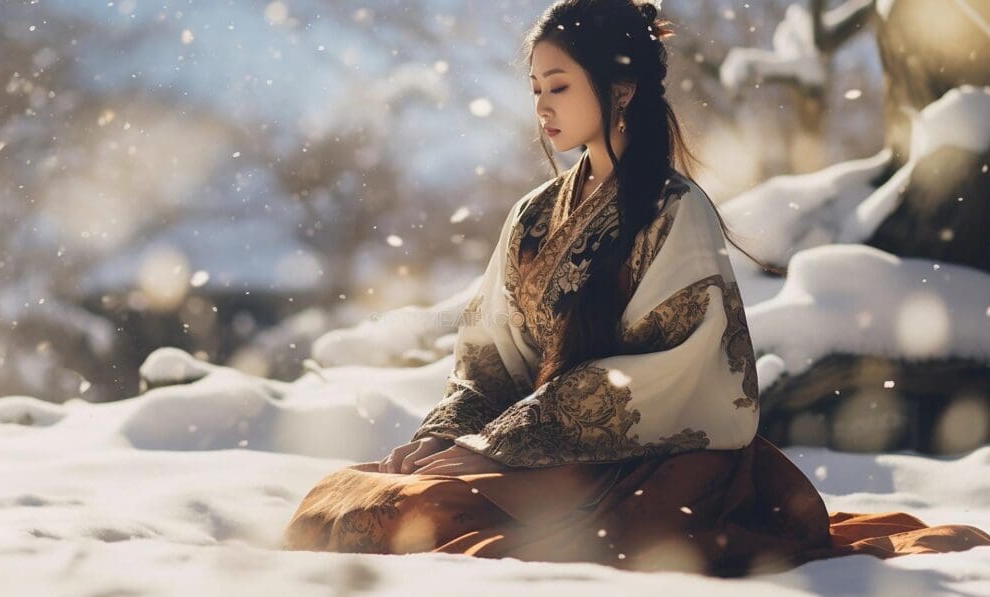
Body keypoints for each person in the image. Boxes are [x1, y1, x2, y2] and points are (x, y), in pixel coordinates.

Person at [283, 0, 990, 576]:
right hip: (541, 453)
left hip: (664, 464)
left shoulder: (675, 210)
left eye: (559, 86)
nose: (543, 108)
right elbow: (490, 356)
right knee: (337, 505)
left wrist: (492, 448)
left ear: (619, 87)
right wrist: (448, 432)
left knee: (407, 521)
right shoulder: (532, 216)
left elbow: (671, 369)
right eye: (535, 90)